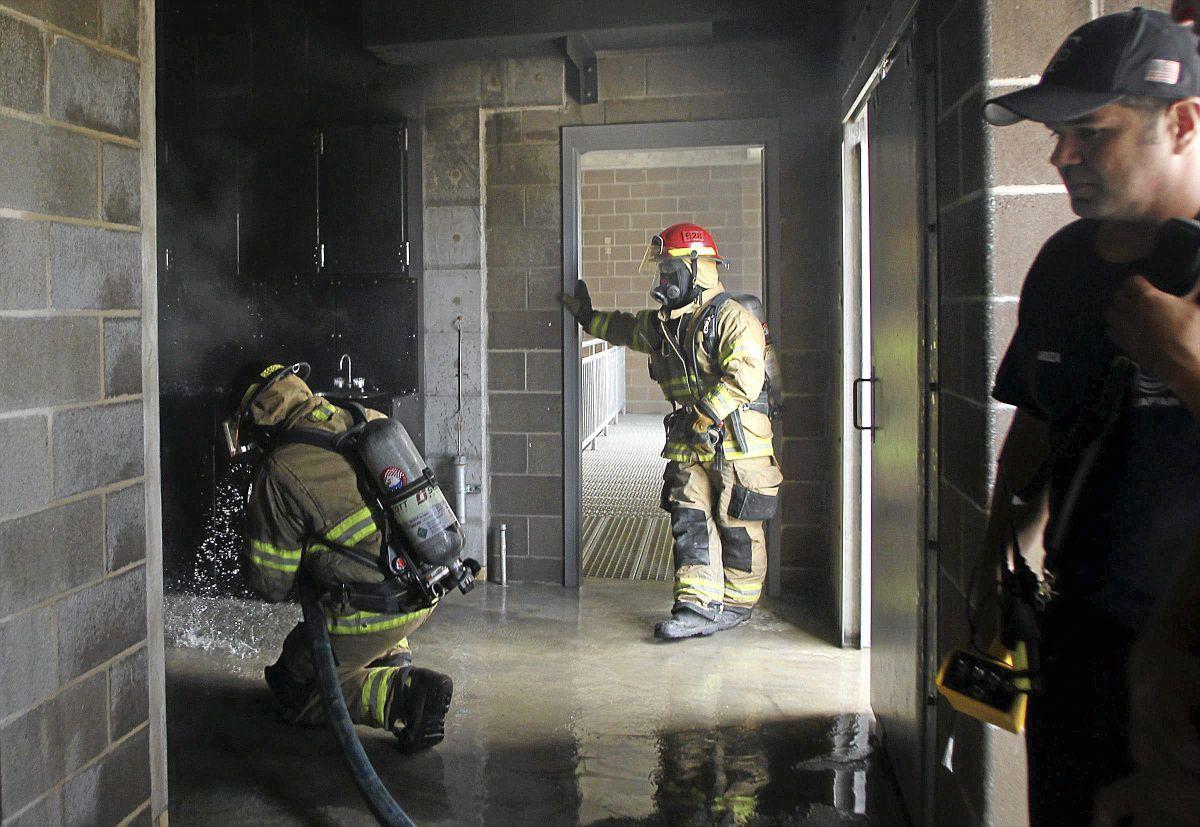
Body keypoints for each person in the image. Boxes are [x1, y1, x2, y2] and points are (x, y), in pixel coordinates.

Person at [980, 8, 1200, 824]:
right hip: (1079, 635)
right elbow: (1041, 420)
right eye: (1056, 131)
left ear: (1181, 123)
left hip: (1184, 672)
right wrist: (998, 551)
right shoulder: (1065, 264)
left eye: (1090, 131)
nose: (1059, 154)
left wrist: (1185, 363)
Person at [561, 222, 783, 640]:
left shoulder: (732, 317)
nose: (663, 279)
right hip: (688, 437)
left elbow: (746, 376)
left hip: (736, 441)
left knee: (735, 522)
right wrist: (589, 319)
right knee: (689, 519)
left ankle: (736, 604)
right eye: (661, 269)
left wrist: (707, 413)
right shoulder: (667, 324)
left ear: (698, 270)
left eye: (670, 269)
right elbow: (627, 328)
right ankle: (696, 606)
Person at [226, 361, 454, 752]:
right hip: (428, 583)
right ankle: (393, 661)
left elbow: (272, 583)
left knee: (294, 687)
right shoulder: (364, 416)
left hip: (372, 613)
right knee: (359, 576)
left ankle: (402, 696)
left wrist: (260, 531)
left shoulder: (280, 469)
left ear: (259, 419)